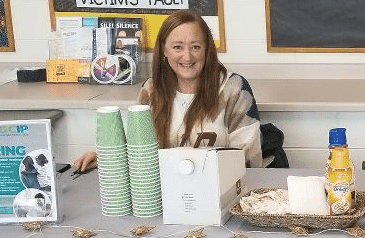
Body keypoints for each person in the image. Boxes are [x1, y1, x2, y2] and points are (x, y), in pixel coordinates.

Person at [73, 10, 262, 171]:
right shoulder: (151, 90)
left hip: (219, 192)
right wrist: (106, 159)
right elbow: (139, 150)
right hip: (164, 192)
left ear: (207, 49)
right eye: (177, 47)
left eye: (196, 47)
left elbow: (247, 161)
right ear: (164, 50)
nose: (187, 56)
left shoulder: (234, 89)